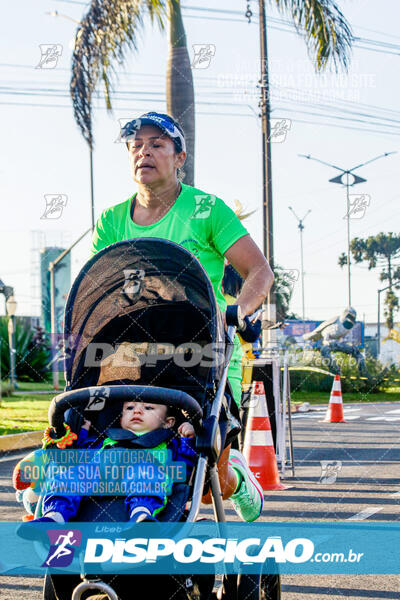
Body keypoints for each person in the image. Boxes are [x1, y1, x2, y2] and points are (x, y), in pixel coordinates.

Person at [90, 111, 274, 522]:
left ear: (179, 158)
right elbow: (98, 288)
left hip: (205, 351)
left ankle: (238, 480)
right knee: (117, 449)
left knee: (210, 482)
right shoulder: (111, 221)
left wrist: (236, 313)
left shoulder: (207, 209)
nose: (144, 151)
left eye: (157, 144)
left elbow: (260, 273)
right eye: (136, 144)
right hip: (136, 355)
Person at [37, 400, 197, 524]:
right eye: (129, 408)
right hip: (98, 475)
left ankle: (141, 514)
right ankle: (55, 515)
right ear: (121, 418)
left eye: (148, 408)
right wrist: (83, 432)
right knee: (69, 476)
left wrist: (187, 441)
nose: (137, 410)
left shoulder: (169, 443)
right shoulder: (108, 437)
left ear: (168, 422)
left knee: (147, 475)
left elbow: (183, 469)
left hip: (142, 475)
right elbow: (85, 455)